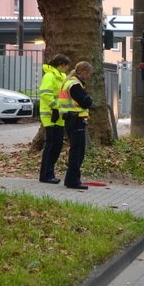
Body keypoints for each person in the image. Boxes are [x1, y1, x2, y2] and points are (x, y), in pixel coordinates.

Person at [58, 61, 94, 190]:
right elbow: (86, 102)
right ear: (83, 72)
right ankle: (73, 180)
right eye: (88, 73)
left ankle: (71, 179)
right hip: (76, 120)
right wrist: (90, 100)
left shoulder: (68, 82)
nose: (89, 76)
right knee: (78, 152)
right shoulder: (75, 85)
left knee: (75, 150)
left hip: (70, 120)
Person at [38, 54, 71, 184]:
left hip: (59, 116)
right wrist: (57, 107)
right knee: (51, 145)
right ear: (61, 65)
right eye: (66, 66)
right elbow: (45, 95)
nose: (67, 69)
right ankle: (46, 174)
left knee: (56, 146)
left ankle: (49, 173)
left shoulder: (62, 77)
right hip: (50, 115)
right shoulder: (49, 76)